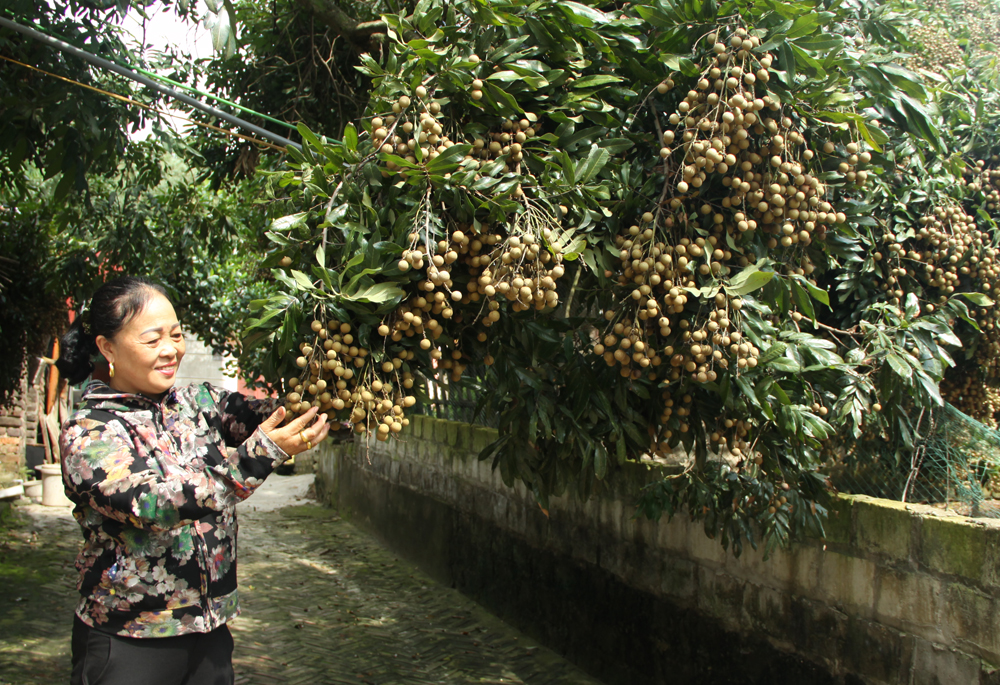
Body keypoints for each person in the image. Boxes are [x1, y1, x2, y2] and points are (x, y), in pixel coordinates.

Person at [56, 276, 330, 685]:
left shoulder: (198, 403)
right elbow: (156, 505)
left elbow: (276, 414)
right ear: (107, 347)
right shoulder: (89, 432)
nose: (171, 350)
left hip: (210, 635)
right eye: (153, 340)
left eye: (177, 335)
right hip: (130, 638)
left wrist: (342, 384)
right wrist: (261, 454)